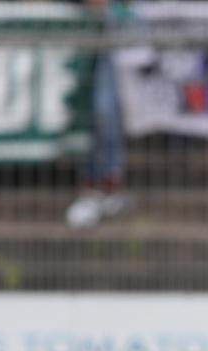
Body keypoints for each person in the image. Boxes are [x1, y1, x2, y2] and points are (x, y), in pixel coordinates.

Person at [66, 0, 132, 229]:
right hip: (84, 33)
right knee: (93, 111)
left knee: (107, 111)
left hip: (112, 36)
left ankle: (109, 182)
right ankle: (92, 185)